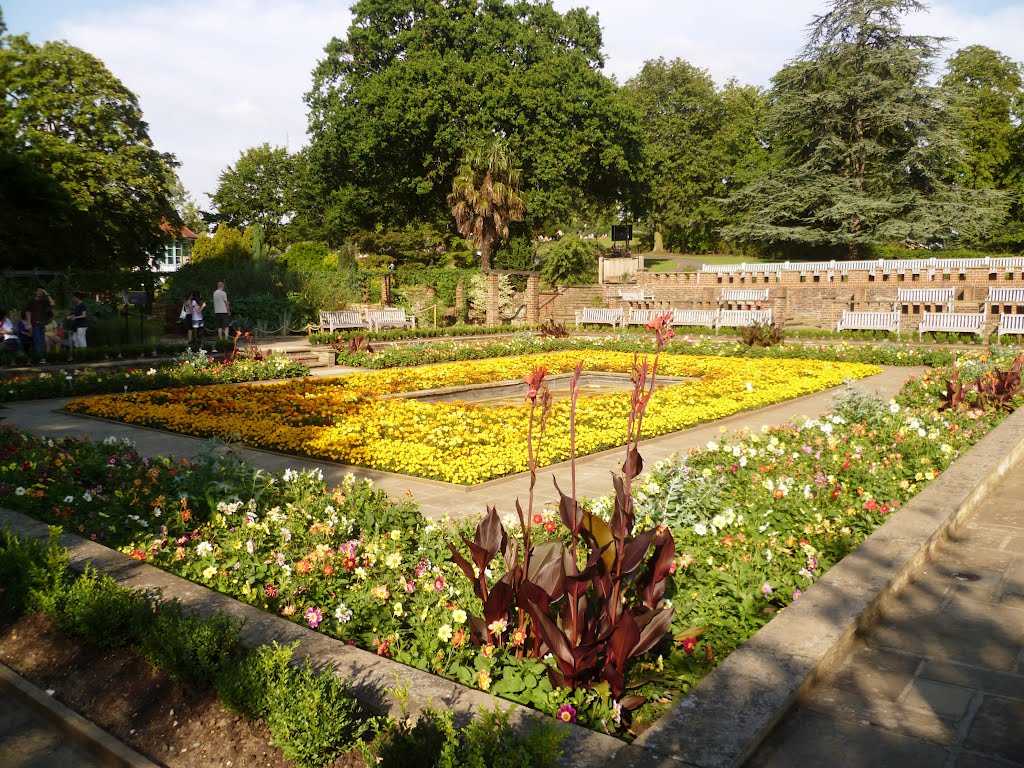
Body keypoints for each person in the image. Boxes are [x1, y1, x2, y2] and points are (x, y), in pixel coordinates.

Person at [23, 286, 54, 358]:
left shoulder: (44, 301)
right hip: (35, 323)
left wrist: (47, 293)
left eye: (41, 291)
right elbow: (28, 312)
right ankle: (39, 357)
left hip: (42, 323)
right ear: (36, 292)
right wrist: (29, 323)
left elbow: (52, 304)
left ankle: (42, 357)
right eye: (38, 291)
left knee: (42, 341)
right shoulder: (31, 301)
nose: (40, 292)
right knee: (37, 340)